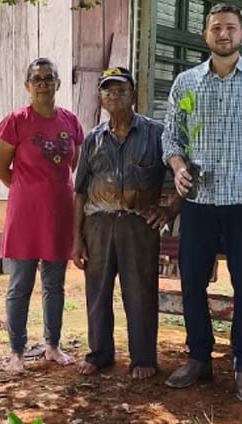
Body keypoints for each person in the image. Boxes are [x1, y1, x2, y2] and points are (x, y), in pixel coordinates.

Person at [161, 2, 242, 404]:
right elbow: (172, 140)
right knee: (193, 283)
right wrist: (179, 167)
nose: (224, 34)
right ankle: (199, 357)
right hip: (199, 204)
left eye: (231, 28)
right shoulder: (186, 84)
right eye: (216, 27)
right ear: (205, 35)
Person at [72, 67, 174, 379]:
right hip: (99, 224)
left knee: (140, 292)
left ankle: (143, 358)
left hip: (138, 225)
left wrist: (169, 211)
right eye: (107, 90)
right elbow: (79, 192)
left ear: (133, 94)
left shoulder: (156, 134)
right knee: (97, 293)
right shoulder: (93, 139)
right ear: (100, 98)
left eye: (120, 89)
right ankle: (100, 354)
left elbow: (183, 177)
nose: (114, 95)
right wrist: (76, 238)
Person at [0, 57, 85, 372]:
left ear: (58, 83)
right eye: (37, 79)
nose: (43, 83)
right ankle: (16, 351)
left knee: (54, 284)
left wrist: (51, 188)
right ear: (27, 85)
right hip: (25, 216)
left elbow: (74, 166)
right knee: (20, 284)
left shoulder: (70, 122)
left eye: (49, 78)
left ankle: (52, 345)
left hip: (59, 212)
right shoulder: (16, 121)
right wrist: (25, 188)